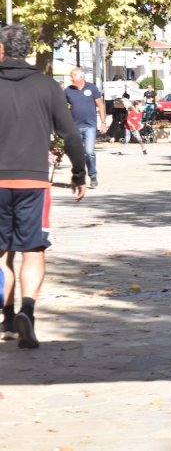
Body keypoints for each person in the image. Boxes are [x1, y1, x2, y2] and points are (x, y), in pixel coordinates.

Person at [0, 24, 87, 348]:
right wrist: (79, 173)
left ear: (2, 50)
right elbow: (71, 134)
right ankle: (28, 312)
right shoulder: (47, 86)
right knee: (33, 249)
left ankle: (7, 319)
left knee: (1, 253)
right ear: (28, 50)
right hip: (33, 182)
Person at [65, 67, 107, 188]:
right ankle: (79, 177)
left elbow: (100, 104)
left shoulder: (92, 88)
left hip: (90, 125)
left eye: (72, 76)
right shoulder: (68, 91)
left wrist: (103, 122)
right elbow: (63, 107)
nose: (71, 78)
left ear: (80, 77)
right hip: (75, 126)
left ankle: (93, 175)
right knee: (77, 153)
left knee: (89, 152)